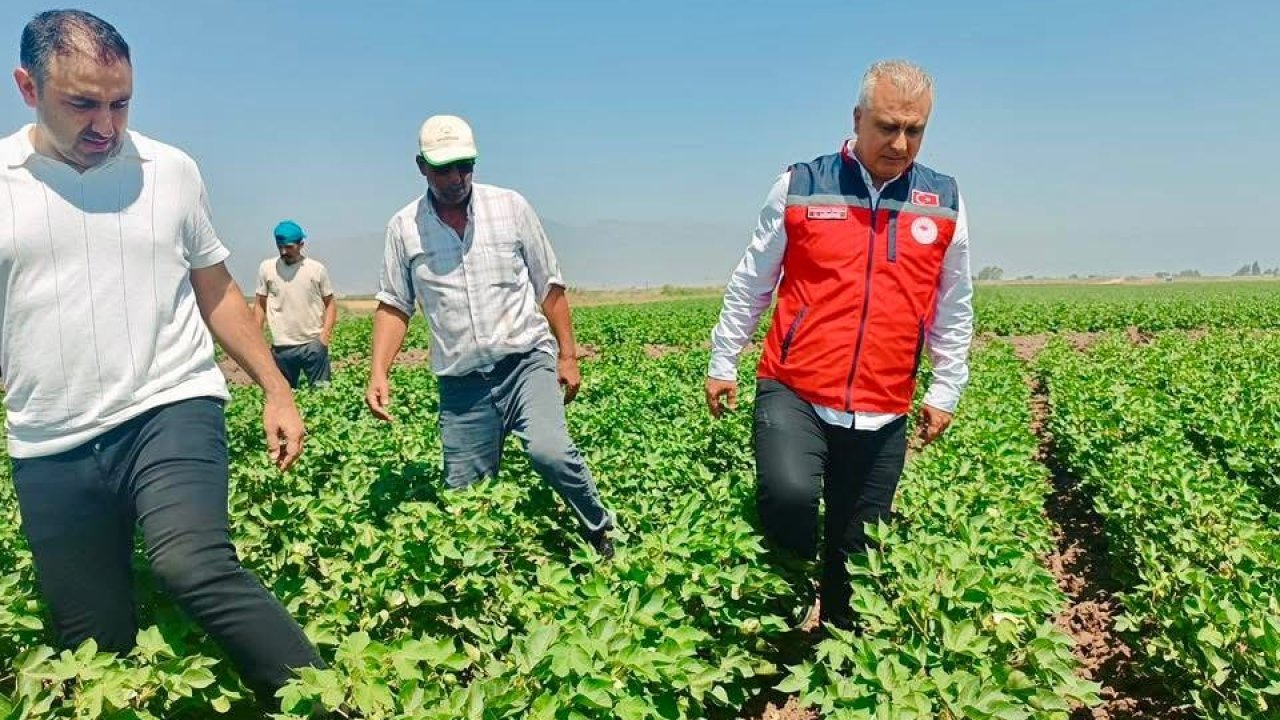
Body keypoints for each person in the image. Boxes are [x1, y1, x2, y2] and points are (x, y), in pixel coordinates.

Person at [0, 9, 322, 704]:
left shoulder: (170, 171)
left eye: (120, 103)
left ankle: (329, 706)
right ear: (28, 88)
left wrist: (276, 387)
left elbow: (216, 288)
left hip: (167, 405)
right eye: (81, 103)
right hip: (50, 440)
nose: (105, 126)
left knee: (192, 563)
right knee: (92, 645)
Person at [705, 59, 974, 629]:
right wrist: (724, 357)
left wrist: (947, 387)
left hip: (883, 404)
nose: (901, 143)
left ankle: (839, 652)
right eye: (887, 126)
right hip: (795, 386)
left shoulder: (944, 201)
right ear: (857, 118)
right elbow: (753, 278)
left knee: (858, 553)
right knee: (790, 493)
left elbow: (953, 302)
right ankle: (788, 587)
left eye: (915, 129)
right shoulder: (801, 184)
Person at [366, 114, 615, 558]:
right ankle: (492, 577)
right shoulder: (403, 227)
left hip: (524, 360)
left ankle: (601, 531)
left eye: (465, 165)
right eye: (444, 168)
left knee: (549, 450)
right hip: (461, 383)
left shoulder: (511, 207)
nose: (457, 177)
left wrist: (568, 355)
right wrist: (378, 372)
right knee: (466, 502)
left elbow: (549, 285)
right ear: (421, 166)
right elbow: (394, 305)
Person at [254, 220, 337, 389]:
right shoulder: (267, 268)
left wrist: (324, 338)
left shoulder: (316, 269)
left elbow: (330, 304)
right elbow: (259, 306)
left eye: (289, 247)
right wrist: (256, 340)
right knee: (284, 398)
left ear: (301, 245)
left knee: (323, 395)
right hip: (281, 348)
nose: (284, 251)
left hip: (313, 344)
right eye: (280, 246)